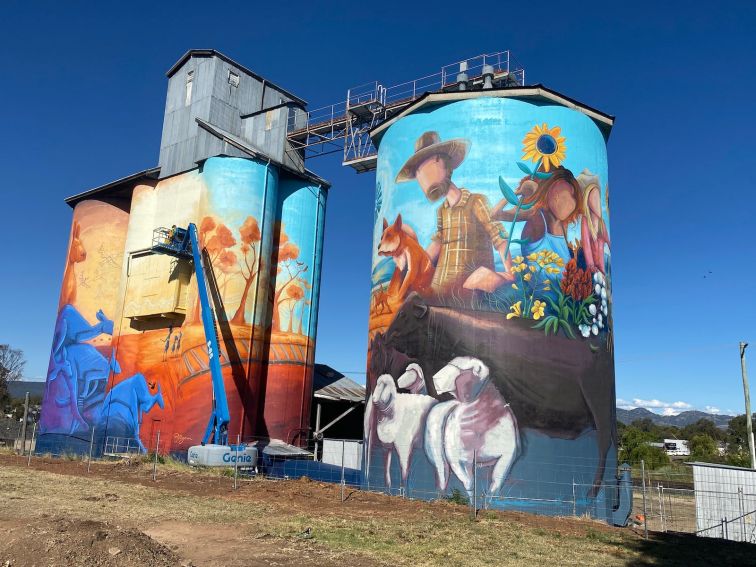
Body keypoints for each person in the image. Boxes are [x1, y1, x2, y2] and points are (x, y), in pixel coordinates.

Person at [395, 131, 512, 294]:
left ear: (444, 163)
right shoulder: (441, 211)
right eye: (418, 173)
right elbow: (437, 244)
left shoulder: (476, 202)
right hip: (440, 292)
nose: (424, 177)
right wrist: (410, 262)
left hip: (469, 294)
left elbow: (500, 238)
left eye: (427, 165)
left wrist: (508, 274)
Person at [492, 166, 580, 267]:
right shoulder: (535, 215)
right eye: (556, 193)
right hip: (539, 282)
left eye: (569, 195)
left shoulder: (563, 223)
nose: (559, 200)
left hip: (565, 281)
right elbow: (495, 214)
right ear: (546, 190)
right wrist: (519, 192)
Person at [577, 169, 610, 274]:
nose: (597, 203)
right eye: (593, 199)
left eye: (598, 198)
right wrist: (592, 267)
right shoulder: (585, 221)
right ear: (588, 202)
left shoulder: (602, 224)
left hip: (602, 270)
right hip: (592, 271)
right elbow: (586, 246)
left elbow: (609, 243)